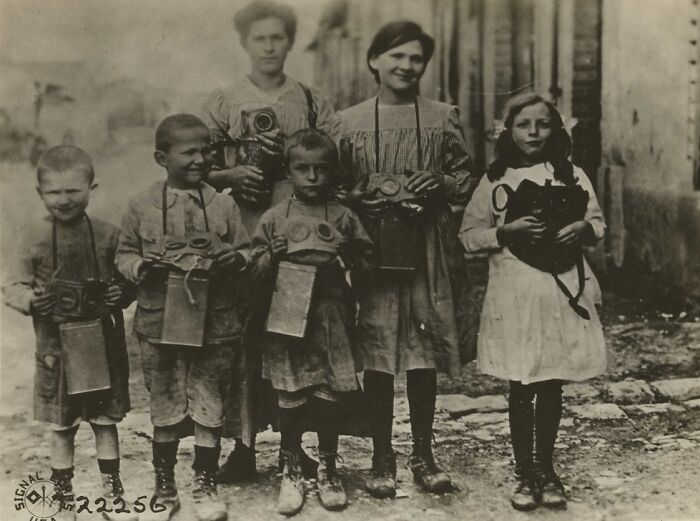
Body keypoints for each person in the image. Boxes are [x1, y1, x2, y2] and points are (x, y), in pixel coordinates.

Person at [332, 21, 479, 498]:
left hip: (427, 246)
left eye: (416, 58)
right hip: (373, 250)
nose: (406, 66)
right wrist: (356, 198)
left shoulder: (441, 116)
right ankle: (381, 455)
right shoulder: (347, 122)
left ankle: (423, 452)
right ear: (374, 60)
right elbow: (329, 186)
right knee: (378, 350)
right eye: (396, 56)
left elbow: (464, 175)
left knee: (423, 350)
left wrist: (440, 185)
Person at [201, 0, 335, 483]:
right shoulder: (222, 101)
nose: (270, 46)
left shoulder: (311, 100)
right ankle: (244, 444)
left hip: (295, 229)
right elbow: (195, 165)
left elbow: (334, 161)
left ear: (290, 42)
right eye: (260, 38)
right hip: (243, 224)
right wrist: (230, 173)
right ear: (244, 43)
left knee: (294, 330)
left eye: (278, 37)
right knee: (243, 334)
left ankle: (296, 447)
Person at [459, 92, 606, 511]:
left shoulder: (572, 174)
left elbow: (598, 223)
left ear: (556, 130)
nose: (534, 132)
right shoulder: (494, 181)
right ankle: (524, 471)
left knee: (552, 380)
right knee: (521, 383)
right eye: (524, 125)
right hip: (514, 296)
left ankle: (547, 467)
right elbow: (468, 237)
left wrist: (582, 228)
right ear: (509, 132)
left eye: (542, 124)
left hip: (560, 292)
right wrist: (505, 233)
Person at [115, 114, 251, 521]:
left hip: (216, 322)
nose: (200, 159)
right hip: (160, 325)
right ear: (161, 157)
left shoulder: (224, 204)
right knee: (167, 403)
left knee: (209, 401)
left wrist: (235, 257)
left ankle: (205, 485)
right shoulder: (140, 205)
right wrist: (141, 268)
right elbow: (123, 254)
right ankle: (165, 486)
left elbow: (248, 252)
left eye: (206, 150)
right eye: (189, 151)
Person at [2, 145, 134, 521]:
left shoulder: (109, 235)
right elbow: (11, 285)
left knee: (105, 422)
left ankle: (112, 494)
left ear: (92, 188)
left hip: (102, 346)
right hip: (55, 349)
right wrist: (30, 300)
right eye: (54, 192)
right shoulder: (31, 237)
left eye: (73, 190)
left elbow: (127, 280)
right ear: (40, 193)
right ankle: (63, 500)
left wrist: (120, 292)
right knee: (62, 426)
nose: (64, 200)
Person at [250, 128, 373, 515]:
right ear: (288, 171)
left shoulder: (344, 216)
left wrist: (348, 252)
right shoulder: (273, 218)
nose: (313, 177)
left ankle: (328, 467)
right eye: (302, 169)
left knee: (328, 393)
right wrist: (271, 255)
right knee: (291, 393)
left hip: (330, 312)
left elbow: (369, 268)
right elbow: (251, 273)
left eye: (321, 169)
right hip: (286, 313)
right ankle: (289, 466)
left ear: (333, 172)